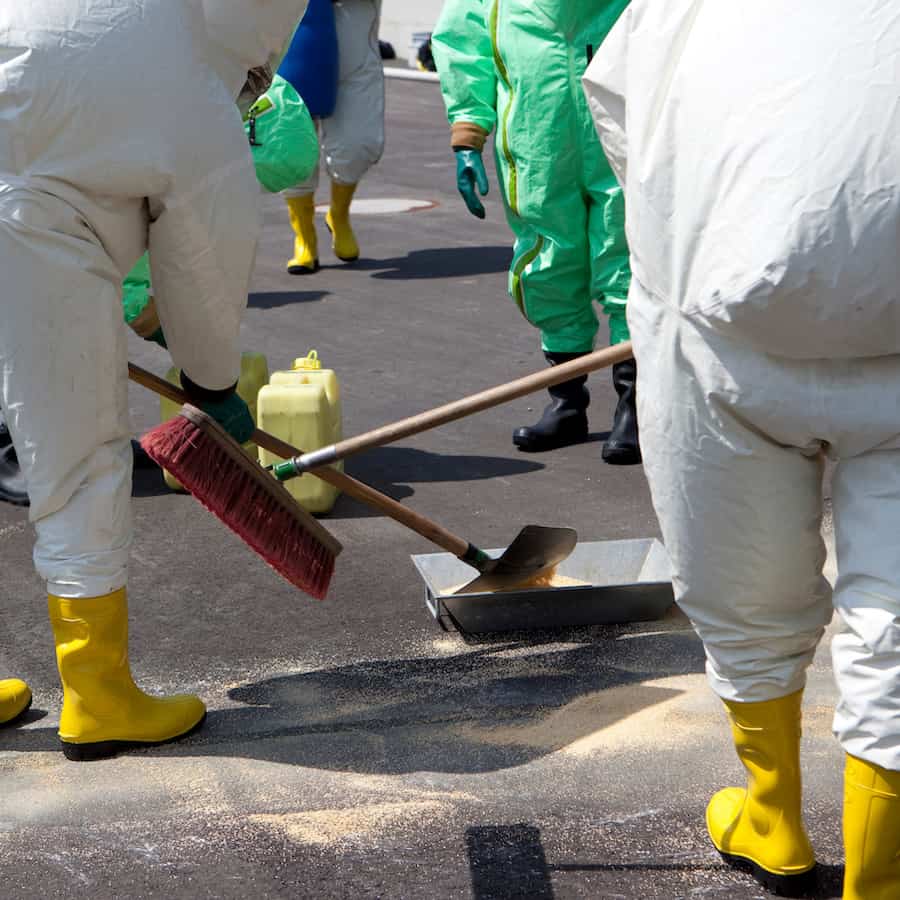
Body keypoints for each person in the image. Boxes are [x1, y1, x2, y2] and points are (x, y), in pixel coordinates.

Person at [584, 3, 900, 897]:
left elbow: (618, 114)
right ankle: (883, 871)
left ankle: (772, 814)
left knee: (741, 578)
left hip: (723, 333)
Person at [0, 0, 307, 760]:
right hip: (41, 217)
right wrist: (209, 384)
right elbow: (205, 257)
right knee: (77, 446)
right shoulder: (192, 81)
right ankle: (98, 693)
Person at [431, 0, 640, 464]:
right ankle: (567, 401)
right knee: (548, 261)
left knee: (628, 257)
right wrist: (468, 133)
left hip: (621, 130)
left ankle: (636, 405)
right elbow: (465, 40)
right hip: (538, 137)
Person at [280, 0, 385, 274]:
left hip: (356, 56)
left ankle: (338, 214)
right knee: (290, 144)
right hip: (295, 43)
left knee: (358, 144)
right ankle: (304, 236)